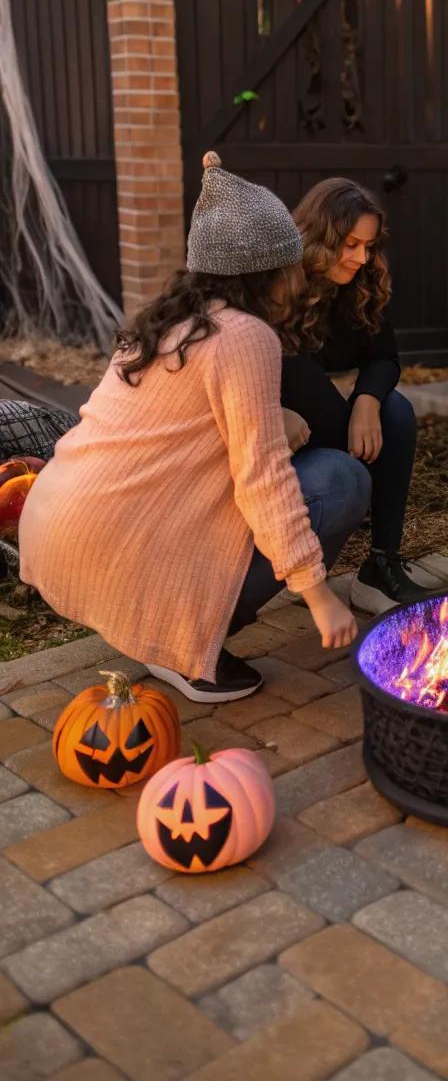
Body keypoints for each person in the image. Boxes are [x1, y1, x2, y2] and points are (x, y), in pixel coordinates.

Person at [17, 153, 369, 703]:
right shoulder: (245, 336)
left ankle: (161, 623)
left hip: (57, 532)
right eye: (292, 266)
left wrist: (278, 418)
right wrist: (318, 591)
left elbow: (172, 426)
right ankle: (180, 648)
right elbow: (263, 478)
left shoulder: (169, 319)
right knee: (341, 480)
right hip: (119, 551)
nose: (299, 279)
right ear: (269, 272)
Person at [281, 178, 423, 616]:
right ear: (319, 237)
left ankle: (381, 566)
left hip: (322, 424)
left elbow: (385, 357)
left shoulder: (361, 281)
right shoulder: (279, 284)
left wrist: (366, 400)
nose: (361, 258)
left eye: (368, 245)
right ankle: (301, 561)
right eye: (349, 244)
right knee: (302, 375)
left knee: (395, 410)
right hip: (273, 427)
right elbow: (279, 371)